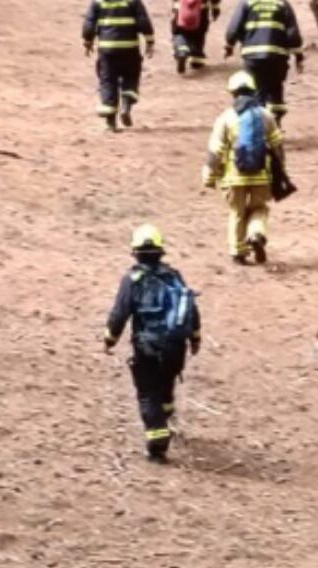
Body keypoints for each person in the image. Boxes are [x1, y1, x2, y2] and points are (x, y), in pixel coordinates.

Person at [103, 224, 201, 461]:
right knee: (166, 385)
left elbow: (120, 312)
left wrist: (110, 338)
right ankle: (166, 416)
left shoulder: (132, 279)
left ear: (135, 252)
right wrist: (195, 337)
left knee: (148, 393)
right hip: (175, 347)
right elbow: (191, 308)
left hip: (147, 347)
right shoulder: (174, 276)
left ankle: (157, 442)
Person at [204, 72, 286, 265]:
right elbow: (278, 146)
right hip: (261, 174)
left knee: (237, 212)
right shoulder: (266, 115)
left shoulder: (225, 118)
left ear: (232, 93)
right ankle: (256, 233)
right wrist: (280, 170)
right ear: (253, 91)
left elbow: (216, 150)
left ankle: (238, 251)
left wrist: (210, 175)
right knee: (259, 208)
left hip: (233, 176)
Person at [223, 0, 304, 124]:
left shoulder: (247, 3)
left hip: (253, 58)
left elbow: (233, 28)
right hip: (277, 58)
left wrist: (229, 46)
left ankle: (258, 126)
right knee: (276, 88)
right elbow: (293, 34)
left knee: (256, 91)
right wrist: (299, 56)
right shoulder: (283, 4)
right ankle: (276, 121)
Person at [82, 0, 155, 131]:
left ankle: (110, 122)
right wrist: (150, 41)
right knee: (131, 76)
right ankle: (126, 105)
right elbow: (143, 22)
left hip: (107, 50)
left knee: (108, 80)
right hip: (130, 49)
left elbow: (89, 24)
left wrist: (88, 41)